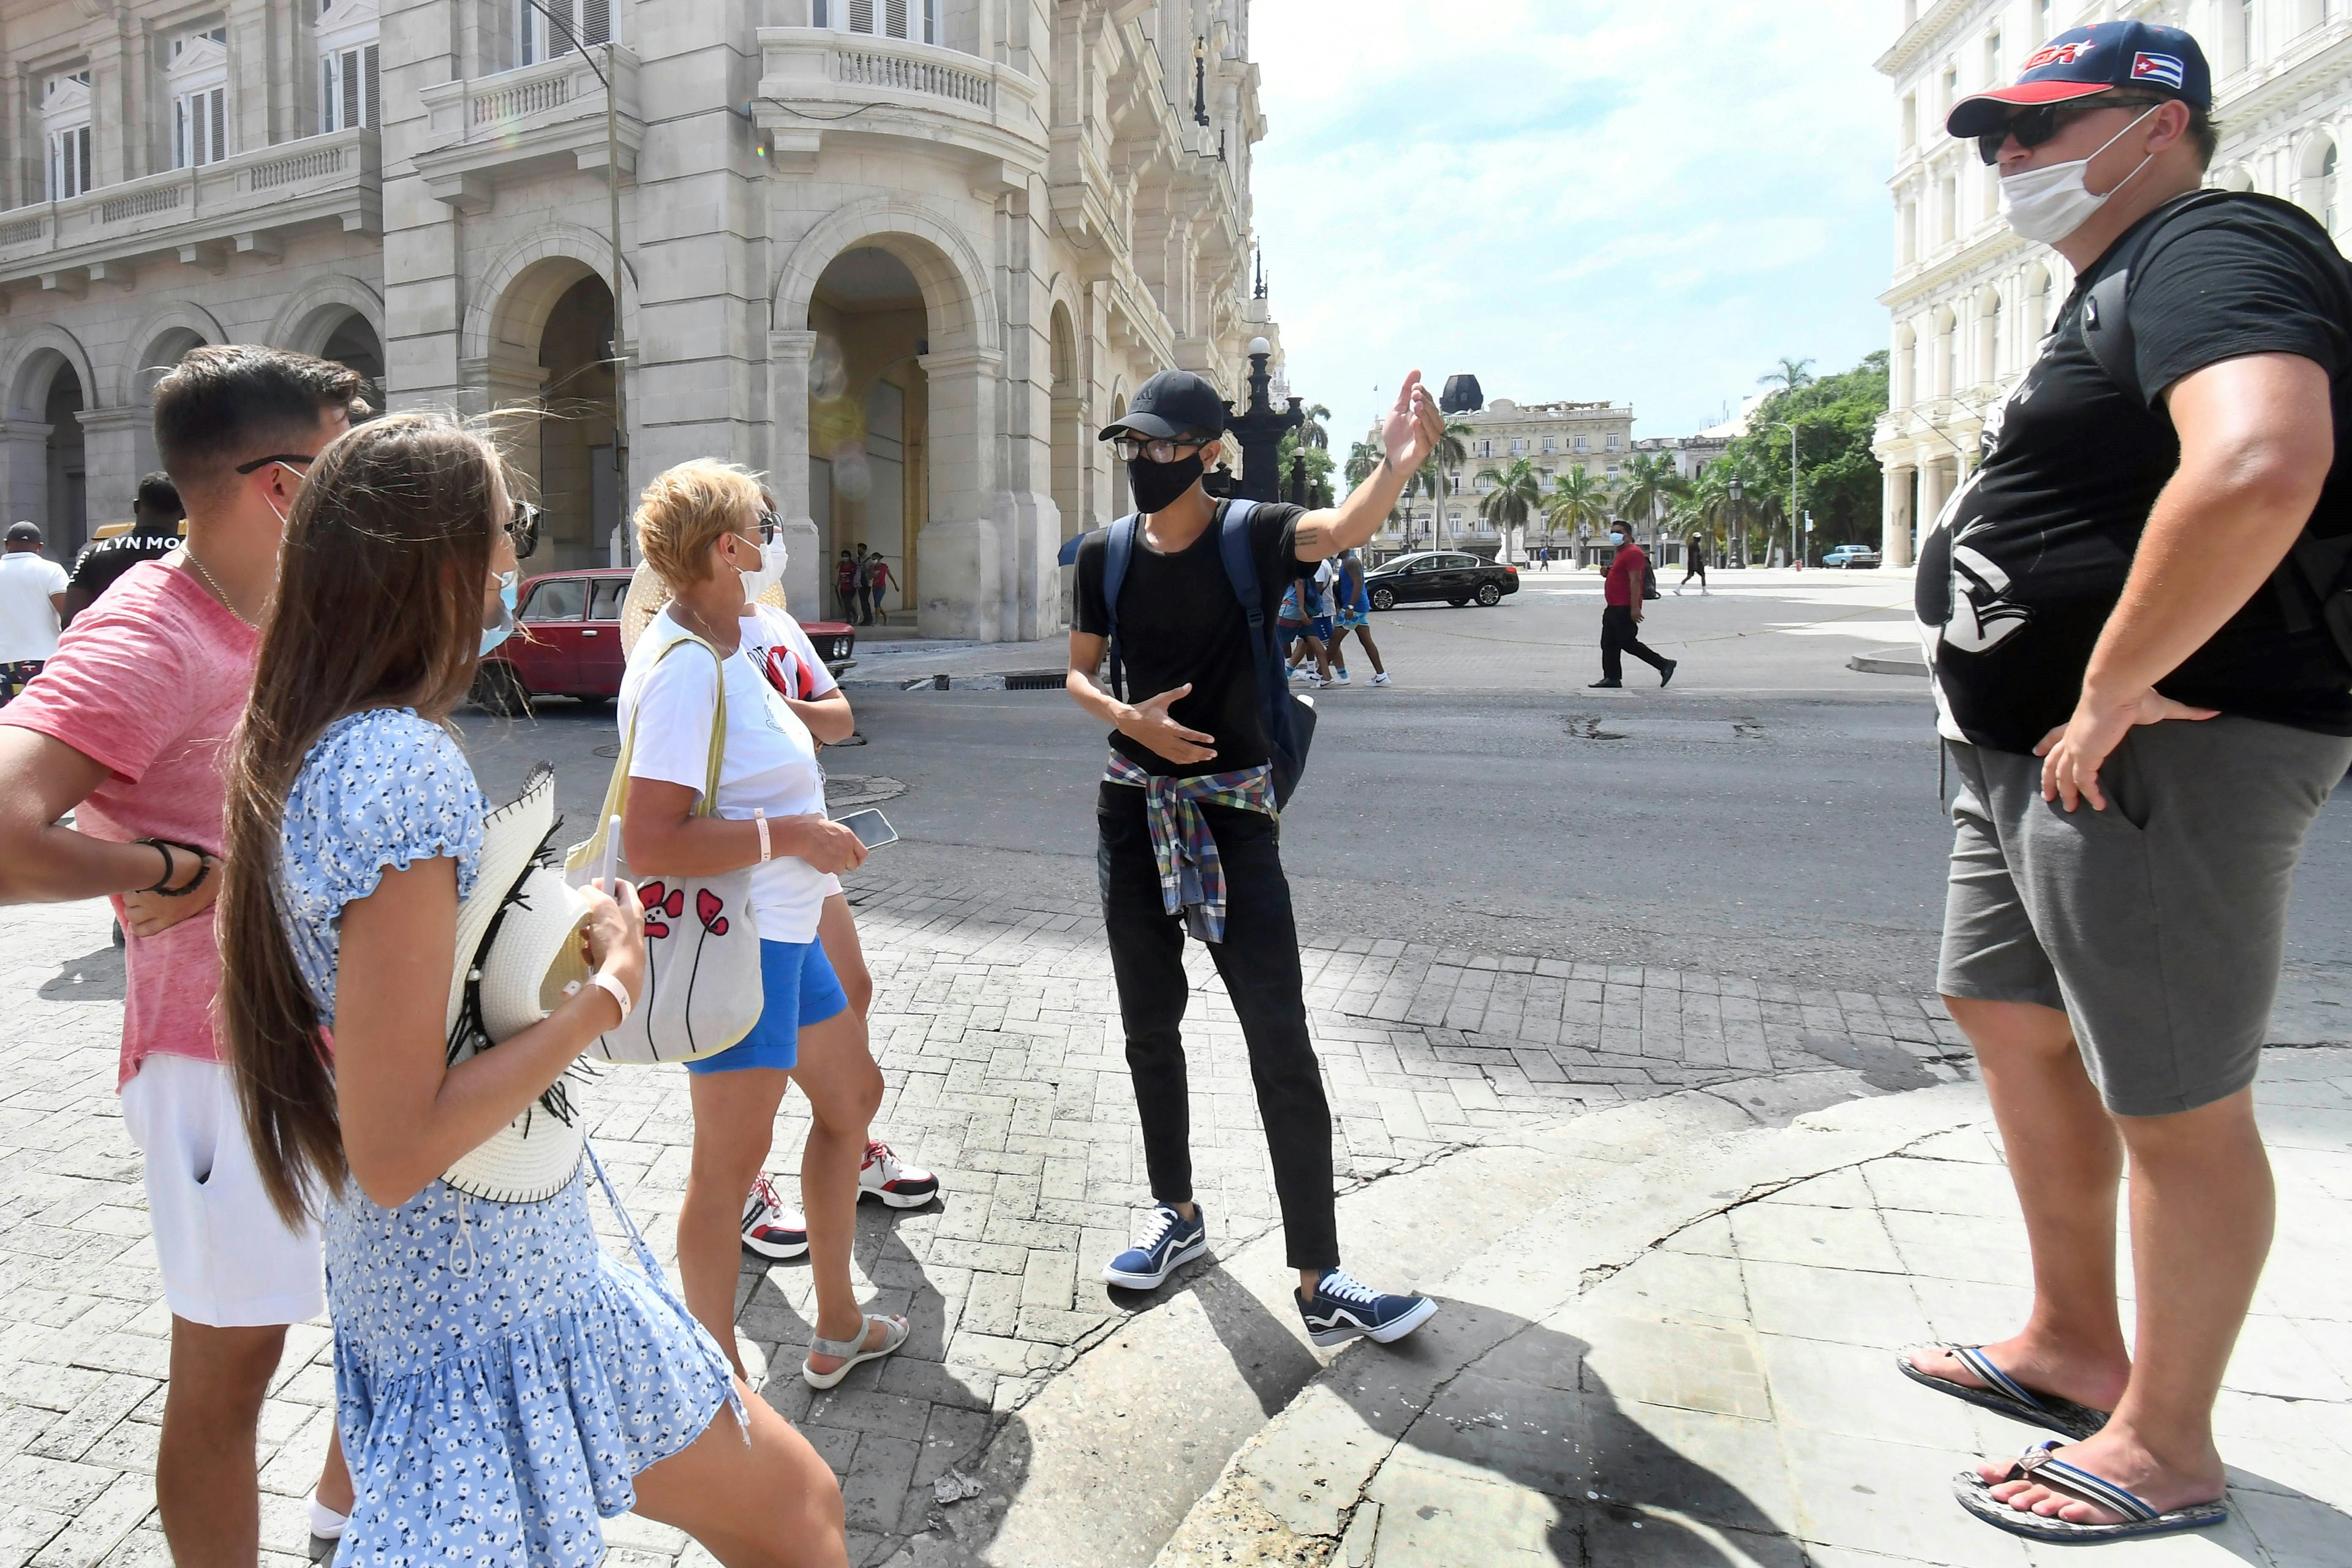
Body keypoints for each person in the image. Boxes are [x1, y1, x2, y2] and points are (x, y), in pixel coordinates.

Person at [212, 412, 847, 1567]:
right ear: (441, 561)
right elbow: (399, 1138)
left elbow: (392, 1013)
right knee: (798, 1513)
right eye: (513, 531)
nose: (521, 564)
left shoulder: (306, 740)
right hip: (486, 1292)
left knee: (798, 1507)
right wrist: (604, 992)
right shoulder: (401, 765)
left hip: (453, 1274)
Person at [1903, 22, 2352, 1546]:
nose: (2006, 161)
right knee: (2007, 1012)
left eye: (2038, 129)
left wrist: (2103, 682)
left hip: (2160, 744)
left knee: (2170, 1090)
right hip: (2027, 747)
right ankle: (2069, 1341)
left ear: (2155, 123)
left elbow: (2255, 459)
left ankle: (2165, 1439)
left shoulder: (2212, 244)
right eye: (1988, 139)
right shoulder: (2108, 284)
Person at [0, 345, 362, 1562]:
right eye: (342, 464)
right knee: (231, 1364)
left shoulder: (281, 609)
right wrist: (165, 872)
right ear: (281, 482)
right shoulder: (151, 628)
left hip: (328, 1037)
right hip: (216, 1060)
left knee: (388, 1306)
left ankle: (336, 1526)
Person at [1065, 366, 1443, 1346]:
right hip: (1131, 809)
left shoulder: (1255, 534)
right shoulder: (1105, 554)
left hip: (1233, 817)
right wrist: (1124, 719)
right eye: (1134, 446)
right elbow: (1077, 671)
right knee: (1150, 1024)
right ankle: (1177, 1216)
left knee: (1280, 1036)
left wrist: (1394, 464)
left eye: (1162, 446)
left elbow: (1344, 528)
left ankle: (1320, 1279)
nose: (1145, 462)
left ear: (1208, 453)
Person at [620, 460, 913, 1391]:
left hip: (787, 933)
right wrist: (794, 834)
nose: (774, 537)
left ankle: (834, 1325)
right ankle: (716, 1391)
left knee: (848, 1103)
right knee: (724, 1178)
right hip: (739, 952)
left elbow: (819, 729)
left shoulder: (738, 645)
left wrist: (798, 844)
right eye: (760, 523)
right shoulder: (681, 671)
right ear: (725, 548)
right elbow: (653, 840)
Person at [63, 473, 185, 625]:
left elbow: (70, 618)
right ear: (184, 512)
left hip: (107, 644)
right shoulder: (192, 556)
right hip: (172, 646)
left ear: (136, 506)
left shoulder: (94, 553)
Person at [1591, 522, 1676, 688]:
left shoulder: (1633, 553)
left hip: (1623, 607)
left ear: (1629, 535)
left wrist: (1635, 607)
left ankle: (1664, 664)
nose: (1615, 535)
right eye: (1612, 532)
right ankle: (1612, 677)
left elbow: (1636, 580)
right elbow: (1621, 575)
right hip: (1613, 606)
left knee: (1627, 642)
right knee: (1608, 643)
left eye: (1619, 532)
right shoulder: (1621, 553)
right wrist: (1607, 573)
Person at [0, 522, 69, 706]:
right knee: (38, 720)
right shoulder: (52, 570)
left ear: (7, 544)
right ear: (40, 548)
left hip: (2, 663)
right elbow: (68, 613)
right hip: (42, 660)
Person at [1327, 548, 1390, 687]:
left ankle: (1322, 674)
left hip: (1354, 608)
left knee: (1334, 641)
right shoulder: (1348, 561)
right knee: (1366, 641)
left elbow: (1358, 583)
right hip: (1359, 606)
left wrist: (1350, 606)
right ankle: (1382, 675)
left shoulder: (1351, 562)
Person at [862, 549, 892, 626]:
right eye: (872, 559)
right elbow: (870, 578)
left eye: (874, 558)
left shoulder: (884, 566)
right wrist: (872, 574)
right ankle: (885, 615)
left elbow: (890, 575)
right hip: (875, 586)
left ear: (878, 559)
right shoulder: (873, 567)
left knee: (877, 604)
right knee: (877, 604)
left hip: (881, 587)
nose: (873, 560)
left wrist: (895, 585)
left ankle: (877, 622)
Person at [1678, 531, 1709, 595]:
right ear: (1695, 538)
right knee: (1703, 575)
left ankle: (1678, 588)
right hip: (1697, 563)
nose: (1699, 539)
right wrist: (1695, 565)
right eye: (1698, 538)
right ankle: (1704, 591)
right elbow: (1694, 556)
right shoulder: (1695, 546)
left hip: (1690, 563)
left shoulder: (1691, 545)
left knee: (1689, 576)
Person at [834, 548, 859, 622]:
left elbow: (856, 575)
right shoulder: (842, 565)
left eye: (846, 556)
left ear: (849, 557)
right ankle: (848, 619)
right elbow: (840, 575)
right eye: (843, 556)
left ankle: (855, 615)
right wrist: (837, 584)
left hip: (852, 587)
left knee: (848, 602)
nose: (844, 557)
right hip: (843, 587)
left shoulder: (853, 565)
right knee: (845, 604)